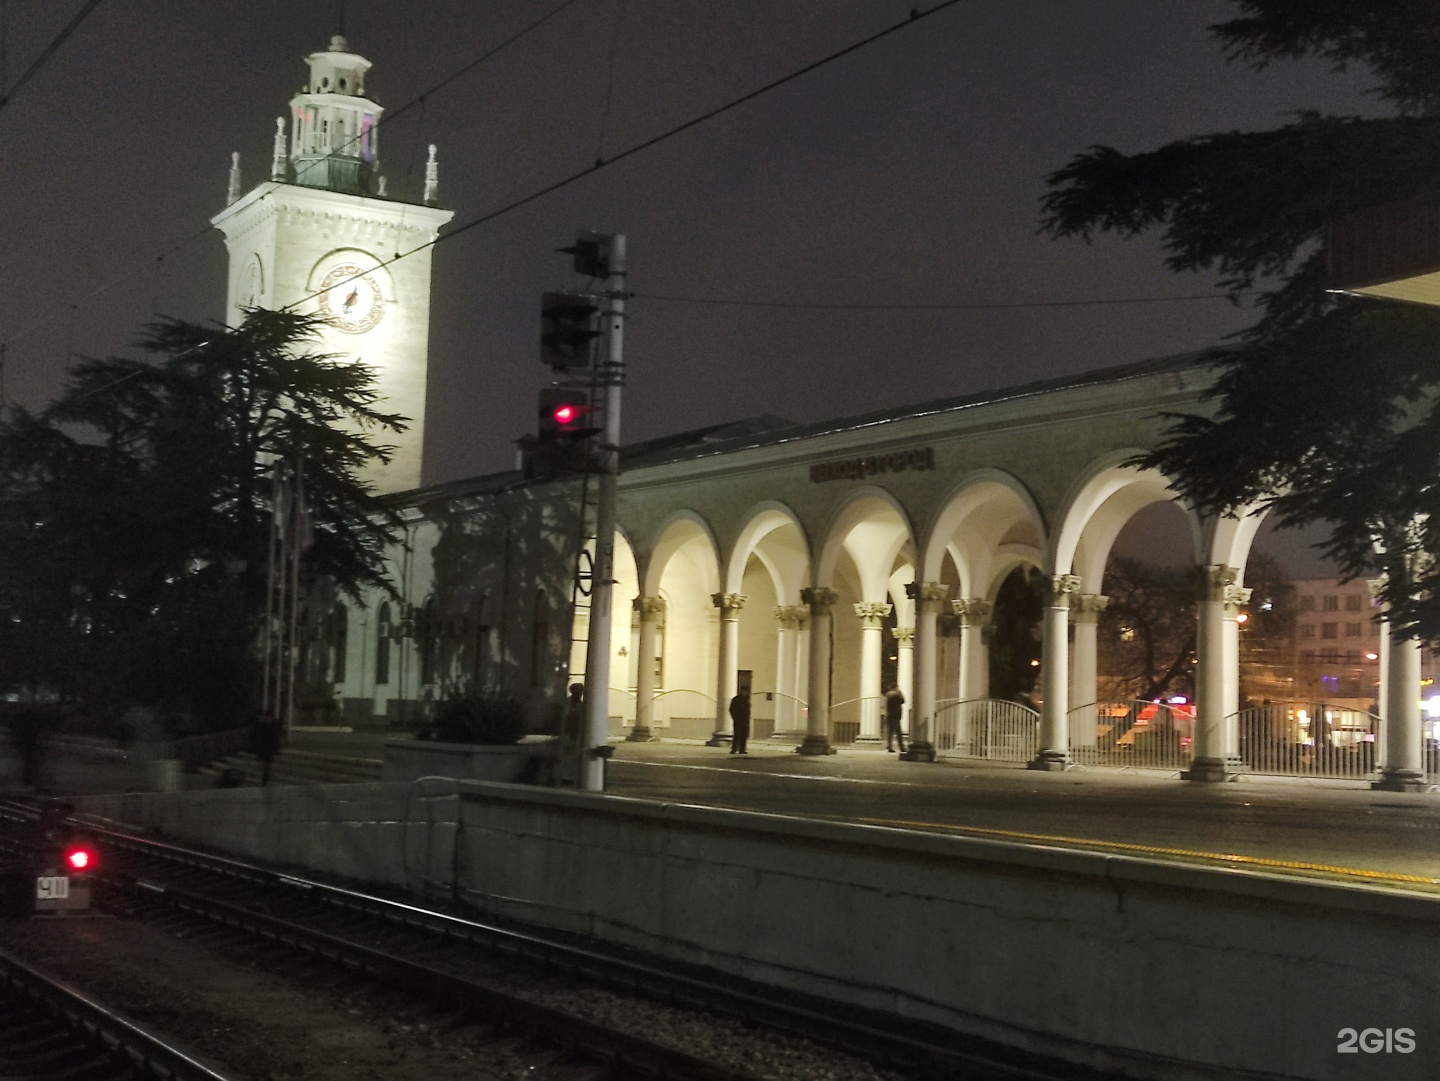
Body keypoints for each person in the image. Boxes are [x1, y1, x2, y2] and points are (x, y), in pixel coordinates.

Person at [252, 709, 282, 786]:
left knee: (267, 765)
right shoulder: (263, 725)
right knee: (265, 765)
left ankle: (265, 780)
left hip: (268, 749)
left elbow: (275, 737)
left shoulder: (272, 725)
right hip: (265, 748)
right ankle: (264, 779)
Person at [884, 684, 907, 753]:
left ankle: (889, 746)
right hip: (895, 716)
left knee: (890, 733)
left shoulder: (888, 695)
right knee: (899, 733)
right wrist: (900, 692)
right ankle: (901, 747)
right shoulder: (895, 695)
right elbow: (903, 700)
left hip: (890, 715)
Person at [728, 689, 751, 755]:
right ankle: (734, 749)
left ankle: (742, 749)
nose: (745, 693)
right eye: (744, 691)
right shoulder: (736, 700)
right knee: (737, 735)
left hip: (745, 721)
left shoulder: (747, 700)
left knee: (744, 736)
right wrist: (735, 718)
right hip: (738, 721)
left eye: (746, 691)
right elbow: (732, 709)